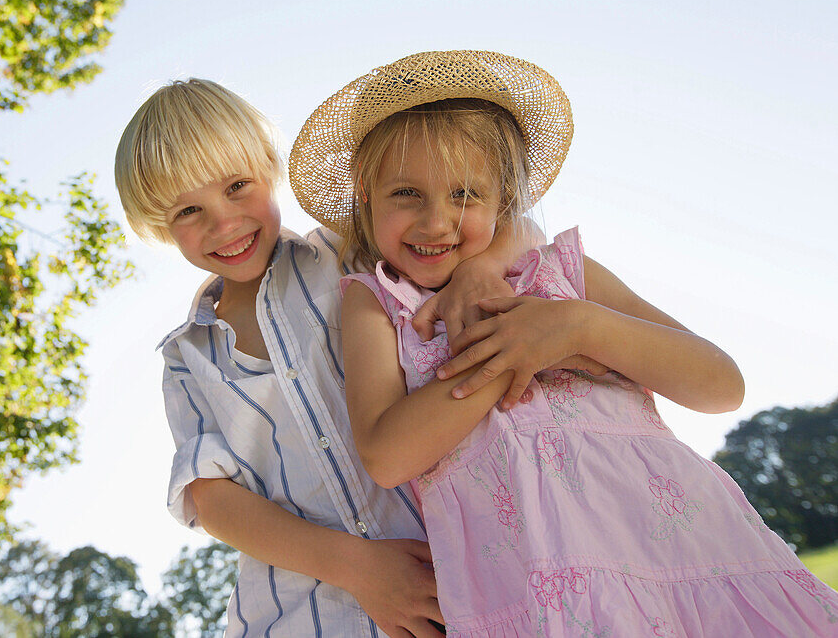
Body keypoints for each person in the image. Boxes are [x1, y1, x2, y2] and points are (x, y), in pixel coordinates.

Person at [290, 50, 838, 636]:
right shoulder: (377, 302)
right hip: (535, 592)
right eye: (406, 193)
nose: (435, 222)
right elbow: (387, 454)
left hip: (687, 557)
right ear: (365, 196)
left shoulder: (563, 275)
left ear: (504, 200)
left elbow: (721, 385)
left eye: (466, 194)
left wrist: (578, 328)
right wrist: (516, 351)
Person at [113, 77, 540, 637]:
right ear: (159, 228)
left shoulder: (347, 251)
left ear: (270, 171)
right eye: (188, 211)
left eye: (238, 186)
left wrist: (483, 270)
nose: (224, 222)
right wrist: (356, 567)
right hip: (300, 614)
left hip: (449, 579)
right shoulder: (186, 356)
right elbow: (209, 497)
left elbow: (519, 229)